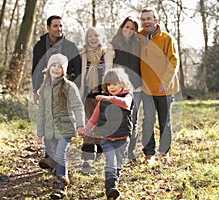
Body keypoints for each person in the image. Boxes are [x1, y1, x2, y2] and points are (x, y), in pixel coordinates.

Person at [32, 15, 82, 170]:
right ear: (48, 28)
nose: (59, 29)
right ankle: (51, 157)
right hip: (47, 86)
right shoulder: (40, 46)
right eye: (55, 26)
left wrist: (77, 88)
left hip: (66, 87)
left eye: (61, 26)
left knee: (61, 117)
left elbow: (79, 69)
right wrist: (35, 90)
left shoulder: (71, 46)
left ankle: (56, 162)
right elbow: (36, 69)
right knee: (48, 115)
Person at [79, 68, 134, 200]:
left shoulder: (127, 96)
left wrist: (109, 98)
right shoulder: (102, 100)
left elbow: (125, 104)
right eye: (109, 85)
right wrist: (86, 130)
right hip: (107, 139)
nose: (112, 87)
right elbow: (94, 118)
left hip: (122, 138)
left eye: (115, 84)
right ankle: (110, 187)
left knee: (119, 164)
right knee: (110, 162)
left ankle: (115, 179)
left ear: (122, 83)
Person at [37, 53, 85, 199]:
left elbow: (77, 106)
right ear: (49, 68)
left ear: (64, 71)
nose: (56, 69)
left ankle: (60, 185)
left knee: (60, 154)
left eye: (60, 67)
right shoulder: (44, 88)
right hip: (49, 130)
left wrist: (80, 124)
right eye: (54, 65)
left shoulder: (69, 87)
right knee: (53, 155)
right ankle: (57, 171)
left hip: (65, 127)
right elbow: (41, 112)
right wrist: (40, 132)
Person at [139, 8, 179, 164]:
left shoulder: (166, 38)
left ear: (156, 20)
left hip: (164, 88)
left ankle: (164, 152)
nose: (146, 22)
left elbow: (174, 61)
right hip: (146, 88)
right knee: (148, 121)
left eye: (149, 18)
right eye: (143, 19)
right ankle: (149, 154)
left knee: (164, 121)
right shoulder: (139, 37)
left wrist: (165, 81)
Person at [79, 27, 114, 168]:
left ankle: (99, 152)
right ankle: (87, 158)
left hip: (103, 94)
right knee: (89, 125)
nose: (93, 38)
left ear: (100, 38)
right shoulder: (82, 54)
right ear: (86, 38)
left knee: (100, 125)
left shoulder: (107, 53)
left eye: (96, 36)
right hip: (88, 95)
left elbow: (111, 72)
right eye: (90, 36)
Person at [110, 16, 142, 162]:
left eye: (132, 28)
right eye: (127, 27)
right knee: (120, 119)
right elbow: (110, 68)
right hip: (120, 89)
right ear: (122, 27)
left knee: (133, 121)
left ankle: (130, 151)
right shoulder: (114, 44)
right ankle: (119, 151)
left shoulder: (139, 45)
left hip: (136, 88)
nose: (129, 30)